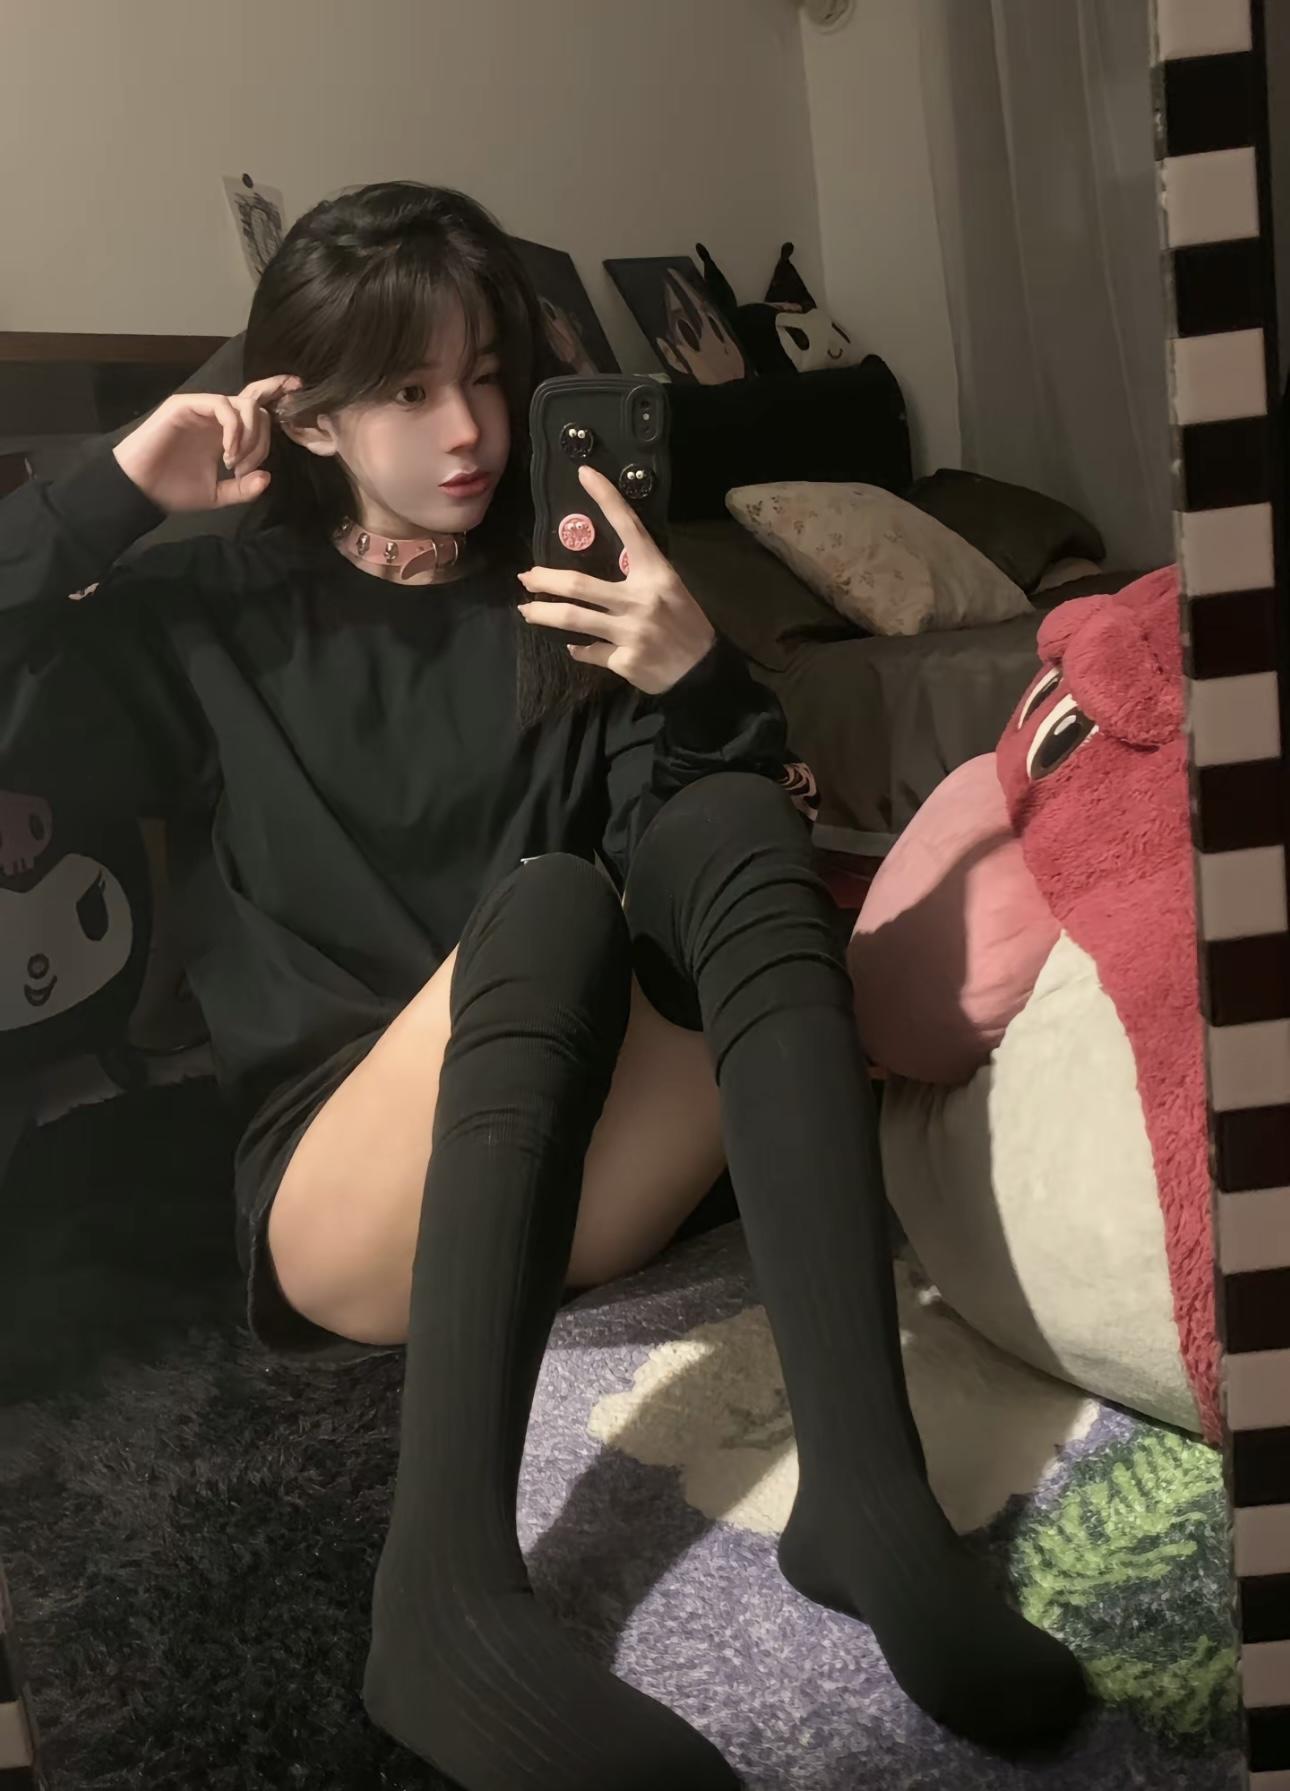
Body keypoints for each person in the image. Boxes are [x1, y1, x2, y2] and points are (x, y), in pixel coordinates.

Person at [0, 182, 1087, 1789]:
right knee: (552, 904)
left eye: (489, 376)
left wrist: (696, 676)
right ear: (305, 414)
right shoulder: (208, 613)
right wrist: (107, 496)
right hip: (351, 1212)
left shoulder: (567, 596)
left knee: (727, 822)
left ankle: (866, 1502)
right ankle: (440, 1603)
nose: (469, 431)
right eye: (407, 387)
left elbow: (697, 865)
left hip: (578, 1174)